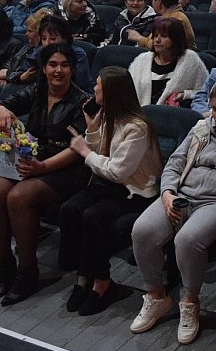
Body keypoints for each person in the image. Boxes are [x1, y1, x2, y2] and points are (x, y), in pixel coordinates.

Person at [129, 81, 216, 345]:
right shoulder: (201, 128)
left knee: (187, 239)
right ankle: (156, 296)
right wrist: (168, 194)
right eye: (213, 108)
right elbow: (174, 164)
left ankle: (189, 302)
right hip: (183, 196)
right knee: (142, 230)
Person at [0, 42, 92, 305]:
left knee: (19, 196)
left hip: (64, 169)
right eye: (53, 65)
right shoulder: (35, 91)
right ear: (43, 69)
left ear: (72, 69)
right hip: (30, 164)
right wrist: (0, 110)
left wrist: (42, 168)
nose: (58, 70)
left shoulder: (84, 101)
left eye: (64, 65)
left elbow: (77, 150)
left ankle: (28, 272)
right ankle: (4, 265)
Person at [61, 67, 163, 316]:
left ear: (111, 91)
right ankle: (83, 275)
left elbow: (117, 171)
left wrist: (84, 151)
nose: (93, 88)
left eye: (98, 84)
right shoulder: (108, 116)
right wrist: (93, 129)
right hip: (108, 185)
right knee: (70, 209)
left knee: (92, 216)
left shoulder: (137, 127)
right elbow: (101, 154)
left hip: (134, 192)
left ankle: (103, 281)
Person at [127, 17, 207, 106]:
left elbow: (206, 91)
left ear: (176, 39)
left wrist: (186, 94)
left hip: (172, 116)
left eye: (164, 36)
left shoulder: (190, 59)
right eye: (155, 36)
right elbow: (127, 92)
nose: (157, 40)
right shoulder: (141, 60)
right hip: (140, 115)